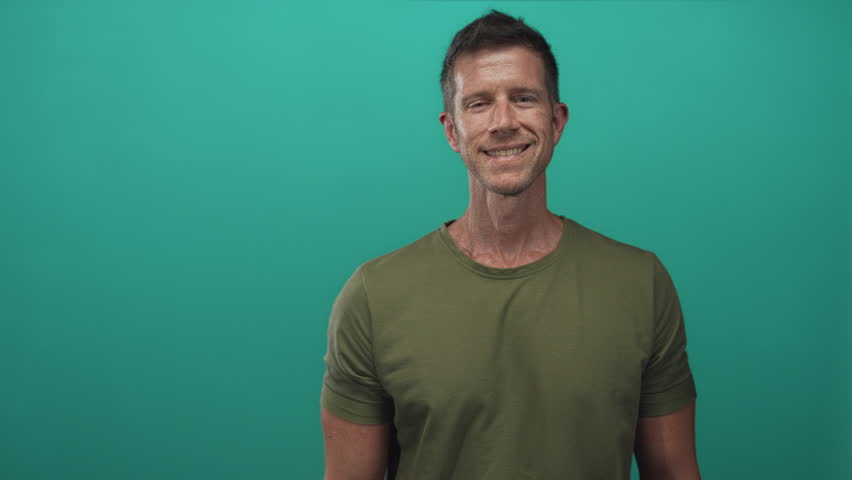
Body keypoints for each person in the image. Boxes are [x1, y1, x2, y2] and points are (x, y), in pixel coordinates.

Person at [320, 10, 700, 480]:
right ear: (451, 130)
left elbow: (674, 470)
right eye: (478, 103)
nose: (503, 121)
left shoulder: (641, 284)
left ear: (556, 121)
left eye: (523, 98)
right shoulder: (372, 298)